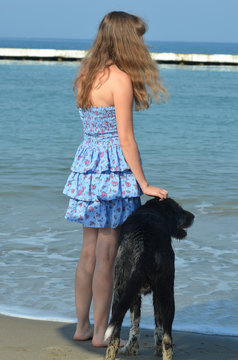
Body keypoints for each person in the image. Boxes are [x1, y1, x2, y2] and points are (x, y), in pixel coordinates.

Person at [63, 11, 168, 347]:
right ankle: (100, 334)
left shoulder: (84, 75)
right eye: (137, 38)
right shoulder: (120, 79)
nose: (141, 44)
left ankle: (81, 326)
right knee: (108, 255)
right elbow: (126, 139)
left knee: (88, 254)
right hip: (112, 171)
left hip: (87, 167)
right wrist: (145, 183)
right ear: (126, 40)